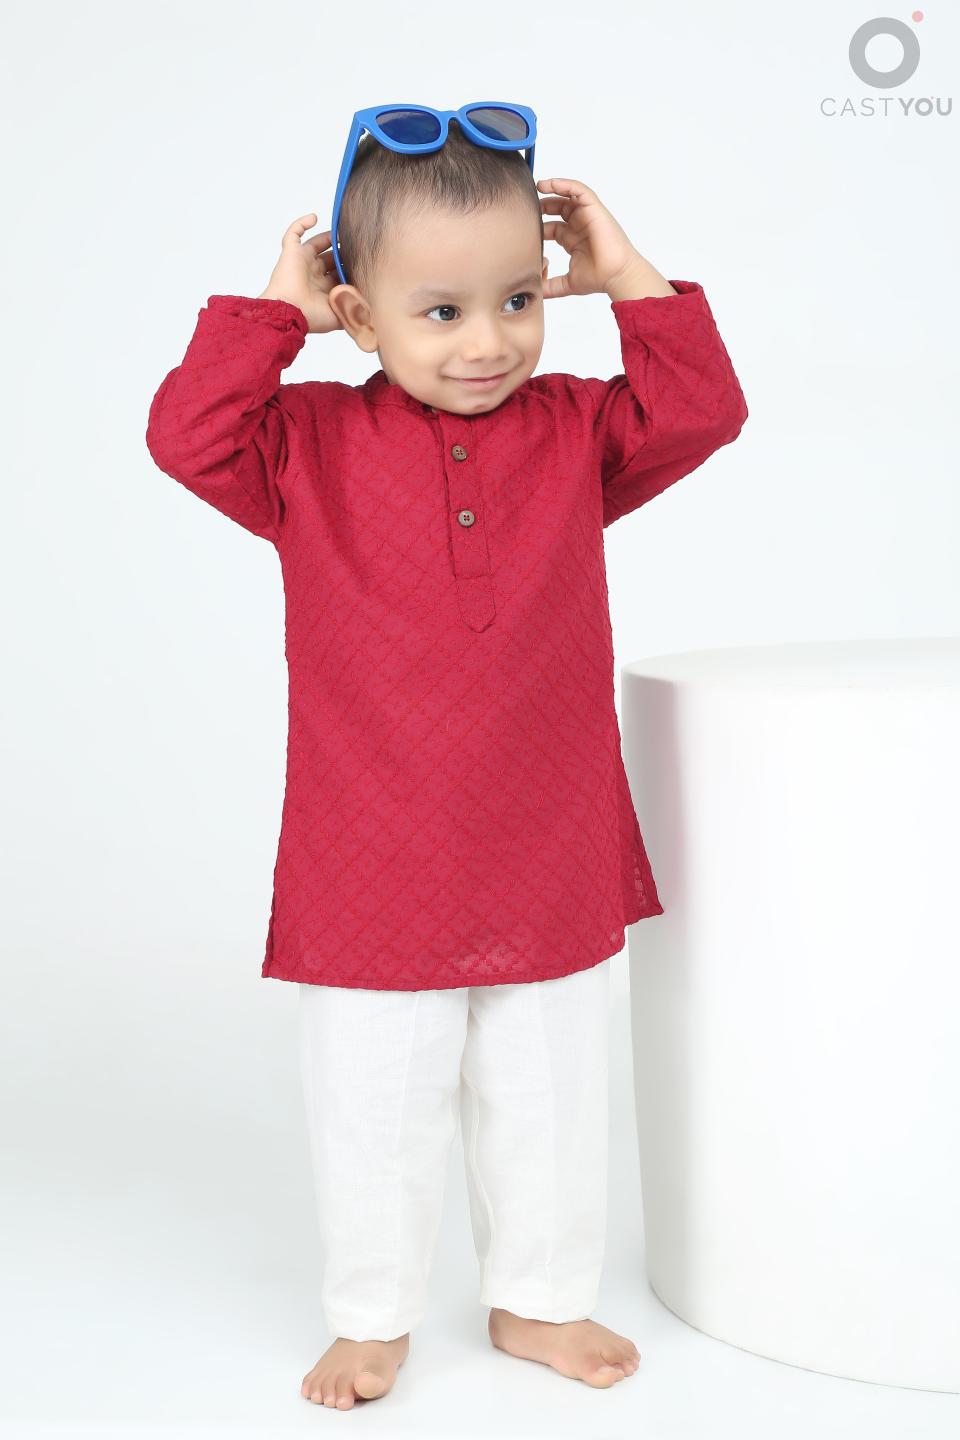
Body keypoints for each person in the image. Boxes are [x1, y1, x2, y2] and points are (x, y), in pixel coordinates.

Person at [145, 116, 748, 1411]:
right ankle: (371, 1318)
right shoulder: (301, 447)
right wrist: (272, 320)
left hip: (545, 835)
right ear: (358, 317)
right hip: (371, 852)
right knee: (376, 1104)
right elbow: (187, 436)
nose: (488, 342)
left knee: (551, 1094)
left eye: (518, 300)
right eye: (440, 311)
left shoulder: (576, 430)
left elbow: (704, 410)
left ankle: (540, 1301)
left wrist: (626, 273)